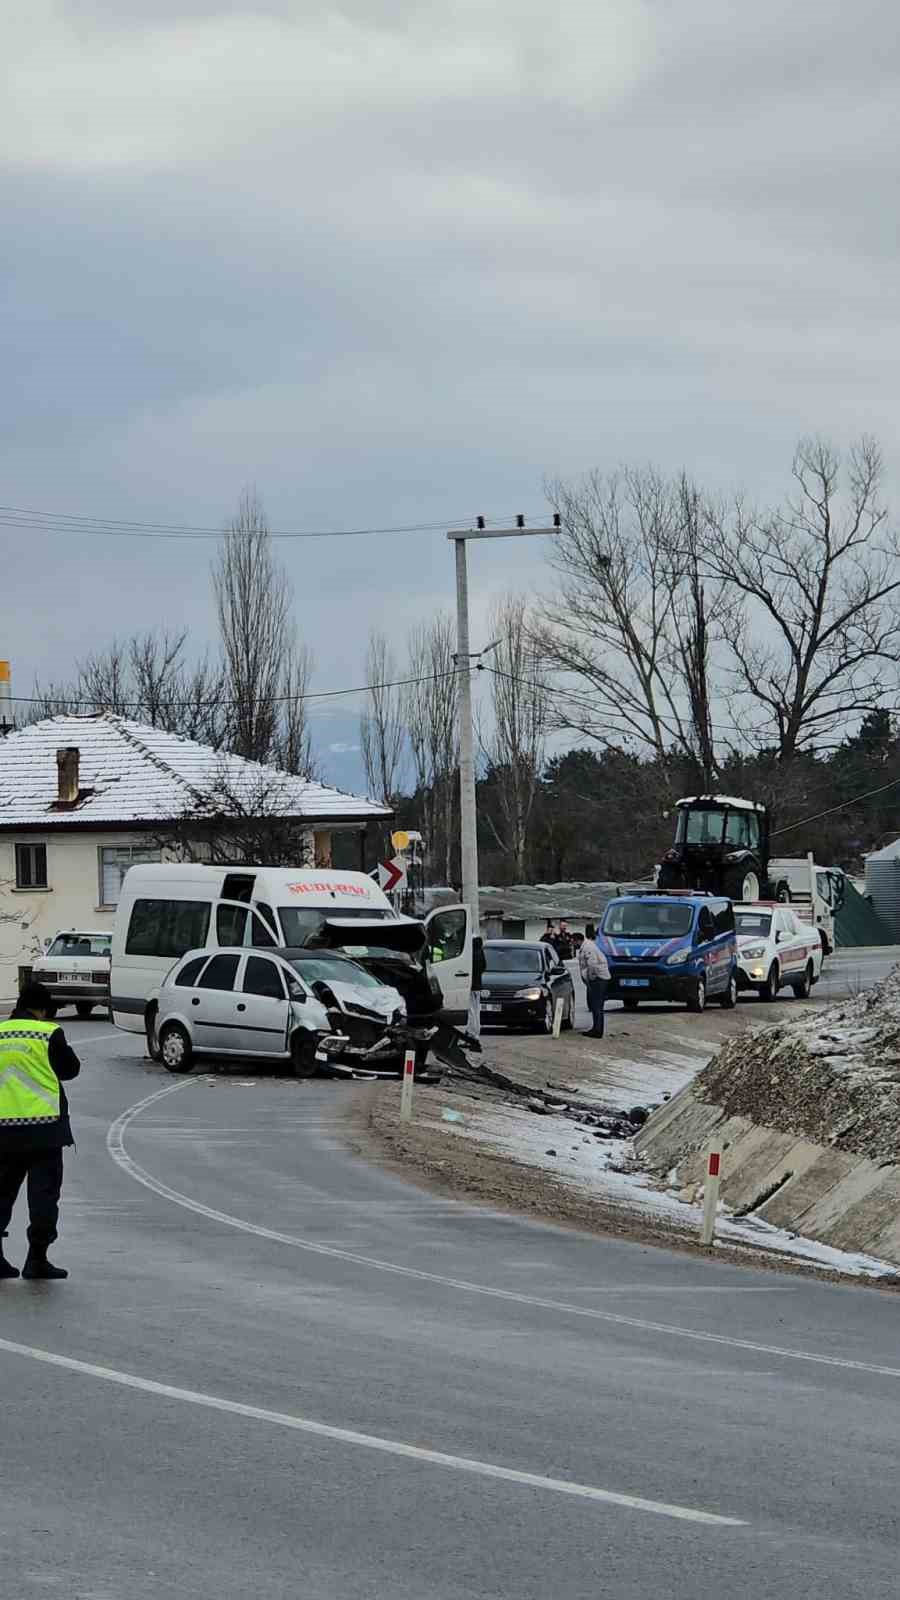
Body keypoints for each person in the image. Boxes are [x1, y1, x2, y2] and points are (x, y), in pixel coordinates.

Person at [0, 982, 81, 1281]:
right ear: (44, 1009)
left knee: (2, 1193)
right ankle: (37, 1259)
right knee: (43, 1196)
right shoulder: (48, 1033)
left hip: (3, 1131)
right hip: (44, 1131)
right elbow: (71, 1069)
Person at [578, 925, 610, 1039]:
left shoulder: (588, 948)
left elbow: (592, 964)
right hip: (599, 978)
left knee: (596, 1005)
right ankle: (596, 1029)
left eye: (573, 942)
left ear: (578, 940)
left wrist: (591, 978)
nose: (572, 945)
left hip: (598, 979)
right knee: (596, 1005)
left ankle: (597, 1031)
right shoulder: (587, 946)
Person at [467, 935, 486, 1043]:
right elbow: (484, 967)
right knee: (477, 1010)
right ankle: (477, 1033)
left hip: (471, 986)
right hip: (478, 985)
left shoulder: (471, 954)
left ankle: (472, 1032)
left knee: (471, 1011)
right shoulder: (481, 953)